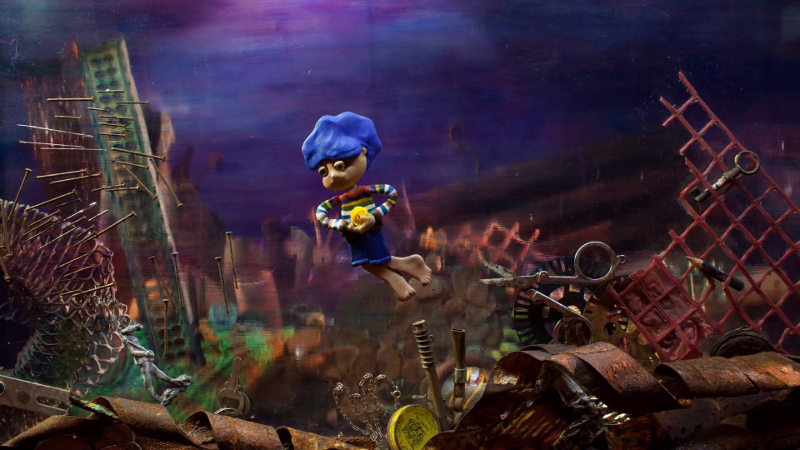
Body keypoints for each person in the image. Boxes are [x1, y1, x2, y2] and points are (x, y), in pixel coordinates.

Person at [302, 112, 431, 301]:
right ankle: (405, 267)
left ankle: (399, 275)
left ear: (363, 152)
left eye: (340, 166)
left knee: (378, 257)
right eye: (324, 172)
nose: (333, 176)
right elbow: (321, 214)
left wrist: (374, 216)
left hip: (371, 227)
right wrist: (342, 225)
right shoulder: (340, 198)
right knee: (364, 262)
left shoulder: (367, 190)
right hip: (352, 233)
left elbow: (392, 195)